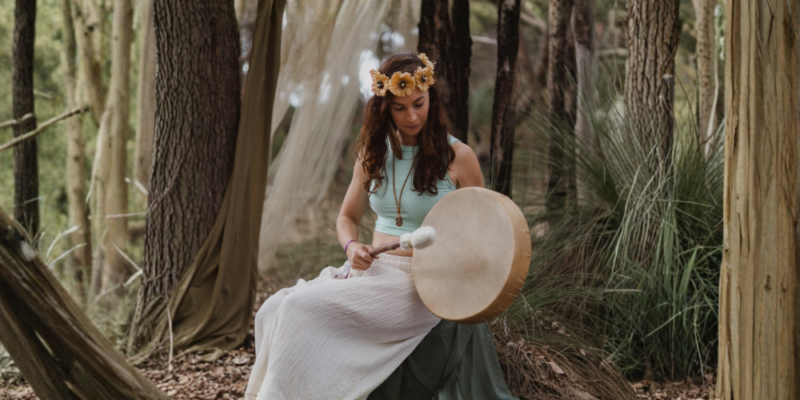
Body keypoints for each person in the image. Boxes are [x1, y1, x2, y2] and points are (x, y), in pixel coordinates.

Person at [245, 52, 515, 400]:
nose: (412, 115)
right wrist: (351, 247)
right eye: (399, 108)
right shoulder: (372, 155)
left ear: (432, 97)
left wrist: (451, 261)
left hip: (423, 284)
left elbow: (483, 227)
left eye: (418, 103)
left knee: (299, 309)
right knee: (274, 309)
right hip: (373, 272)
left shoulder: (458, 157)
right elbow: (347, 218)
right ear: (384, 108)